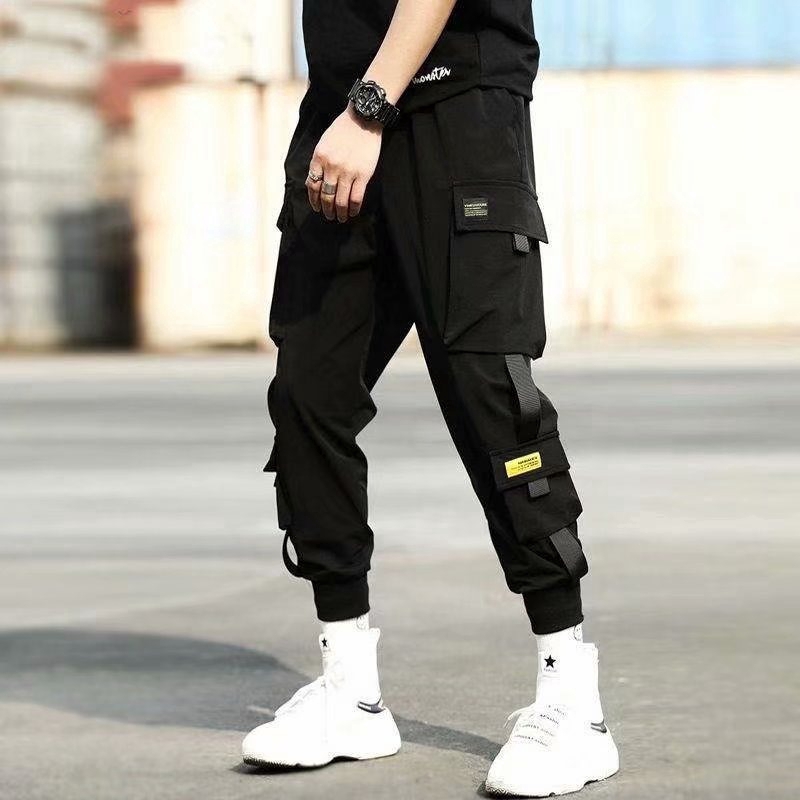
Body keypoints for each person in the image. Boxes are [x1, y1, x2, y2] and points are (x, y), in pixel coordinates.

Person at [242, 1, 619, 795]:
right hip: (340, 114)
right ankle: (350, 691)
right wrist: (351, 109)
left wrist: (371, 105)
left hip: (454, 104)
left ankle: (571, 700)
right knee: (308, 396)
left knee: (492, 399)